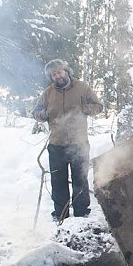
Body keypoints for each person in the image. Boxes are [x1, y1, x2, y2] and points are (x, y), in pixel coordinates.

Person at [32, 59, 103, 222]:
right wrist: (44, 114)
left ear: (66, 70)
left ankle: (81, 213)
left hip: (79, 143)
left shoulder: (82, 87)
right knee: (58, 181)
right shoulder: (48, 93)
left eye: (59, 72)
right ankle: (61, 214)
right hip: (56, 145)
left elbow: (98, 106)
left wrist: (83, 109)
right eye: (53, 74)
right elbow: (36, 112)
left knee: (80, 179)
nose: (57, 76)